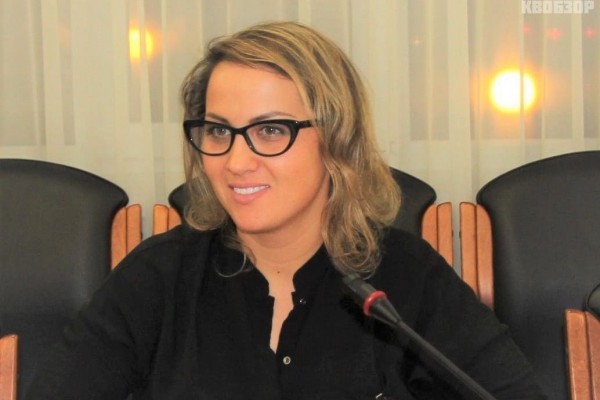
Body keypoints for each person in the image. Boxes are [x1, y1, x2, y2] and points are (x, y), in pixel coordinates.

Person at [26, 21, 545, 399]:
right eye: (218, 131)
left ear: (336, 140)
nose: (236, 161)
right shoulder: (158, 277)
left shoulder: (408, 280)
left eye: (271, 130)